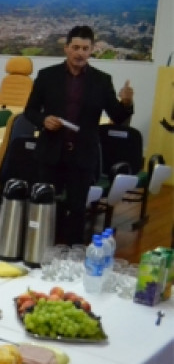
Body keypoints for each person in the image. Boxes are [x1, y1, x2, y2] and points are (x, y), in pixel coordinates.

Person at [24, 25, 134, 246]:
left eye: (85, 48)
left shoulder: (102, 80)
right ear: (66, 49)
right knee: (45, 205)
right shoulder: (47, 76)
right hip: (51, 152)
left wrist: (127, 102)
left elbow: (119, 117)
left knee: (77, 209)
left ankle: (71, 257)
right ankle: (40, 249)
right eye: (75, 47)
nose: (80, 53)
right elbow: (30, 111)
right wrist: (43, 120)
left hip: (82, 155)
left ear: (92, 50)